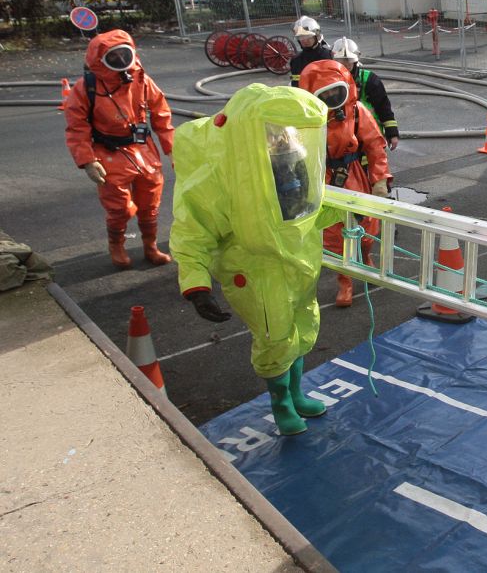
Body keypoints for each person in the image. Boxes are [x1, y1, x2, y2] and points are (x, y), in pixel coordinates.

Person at [170, 83, 340, 435]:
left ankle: (295, 392)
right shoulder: (223, 172)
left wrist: (353, 211)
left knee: (300, 327)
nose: (280, 138)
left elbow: (305, 209)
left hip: (297, 260)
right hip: (254, 267)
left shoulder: (291, 157)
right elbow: (192, 230)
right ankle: (281, 404)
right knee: (274, 335)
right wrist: (196, 285)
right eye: (273, 132)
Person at [64, 29, 176, 269]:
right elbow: (77, 127)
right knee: (120, 208)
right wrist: (87, 160)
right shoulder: (87, 88)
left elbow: (161, 116)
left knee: (150, 203)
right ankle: (117, 244)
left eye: (123, 55)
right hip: (108, 153)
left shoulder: (142, 81)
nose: (120, 62)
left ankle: (150, 246)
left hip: (143, 150)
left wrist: (173, 150)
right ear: (99, 60)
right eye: (113, 57)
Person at [299, 59, 391, 307]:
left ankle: (366, 257)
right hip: (323, 181)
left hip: (354, 176)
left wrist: (380, 179)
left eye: (335, 91)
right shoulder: (304, 119)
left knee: (367, 225)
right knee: (333, 235)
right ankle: (345, 281)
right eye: (324, 93)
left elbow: (375, 146)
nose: (331, 97)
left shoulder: (357, 111)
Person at [331, 37, 399, 151]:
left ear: (356, 60)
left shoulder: (369, 79)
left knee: (374, 165)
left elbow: (383, 106)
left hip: (369, 135)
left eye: (349, 60)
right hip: (341, 138)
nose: (346, 64)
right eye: (341, 60)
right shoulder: (329, 81)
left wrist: (392, 133)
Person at [289, 15, 332, 87]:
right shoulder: (296, 60)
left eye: (308, 36)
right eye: (300, 37)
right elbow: (295, 84)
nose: (304, 40)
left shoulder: (328, 56)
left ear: (317, 36)